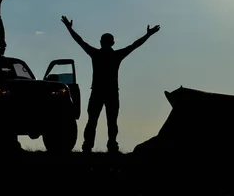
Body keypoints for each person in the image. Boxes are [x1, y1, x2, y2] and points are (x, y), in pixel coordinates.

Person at [60, 15, 160, 153]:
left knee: (93, 121)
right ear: (112, 43)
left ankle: (88, 146)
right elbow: (134, 45)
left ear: (101, 42)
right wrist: (148, 34)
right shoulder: (116, 56)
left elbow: (80, 41)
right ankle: (111, 146)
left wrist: (69, 27)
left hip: (97, 92)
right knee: (111, 122)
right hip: (111, 93)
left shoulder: (96, 54)